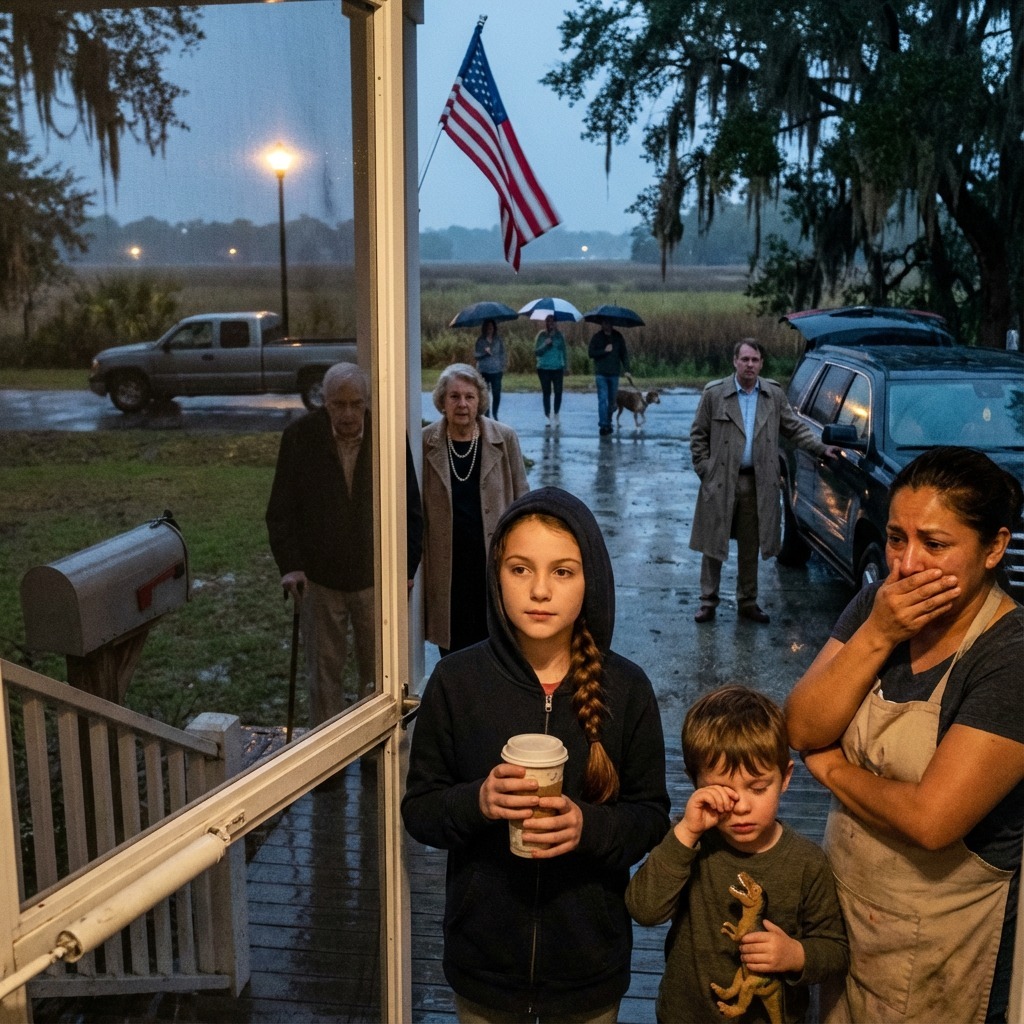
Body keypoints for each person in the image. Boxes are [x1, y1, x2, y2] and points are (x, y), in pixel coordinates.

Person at [402, 487, 670, 1023]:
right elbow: (421, 811)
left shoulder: (627, 689)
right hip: (485, 969)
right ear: (495, 575)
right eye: (520, 569)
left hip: (587, 969)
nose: (540, 591)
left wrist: (587, 828)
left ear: (591, 578)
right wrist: (478, 800)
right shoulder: (458, 682)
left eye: (563, 572)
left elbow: (650, 816)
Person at [785, 446, 1024, 1023]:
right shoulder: (879, 604)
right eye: (896, 538)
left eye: (935, 544)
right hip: (846, 916)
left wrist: (836, 770)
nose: (908, 564)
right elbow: (802, 724)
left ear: (994, 547)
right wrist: (878, 633)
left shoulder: (1008, 656)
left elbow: (932, 819)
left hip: (946, 949)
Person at [626, 685, 848, 1024]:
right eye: (724, 791)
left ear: (785, 778)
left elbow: (835, 948)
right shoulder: (689, 845)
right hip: (686, 1015)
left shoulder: (807, 862)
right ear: (696, 782)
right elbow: (644, 908)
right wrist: (686, 832)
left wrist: (796, 954)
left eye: (758, 788)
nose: (742, 806)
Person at [266, 361, 423, 724]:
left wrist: (406, 568)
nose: (349, 413)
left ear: (367, 401)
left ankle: (372, 751)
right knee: (324, 674)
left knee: (377, 673)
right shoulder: (300, 438)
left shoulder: (387, 437)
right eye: (339, 404)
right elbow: (280, 512)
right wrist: (290, 565)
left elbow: (411, 510)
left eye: (356, 403)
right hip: (319, 579)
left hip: (374, 579)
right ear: (324, 401)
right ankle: (329, 761)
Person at [689, 339, 836, 625]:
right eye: (744, 359)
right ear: (735, 361)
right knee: (713, 545)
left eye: (755, 360)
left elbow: (794, 428)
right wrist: (706, 470)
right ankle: (708, 602)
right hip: (721, 482)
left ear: (761, 363)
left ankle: (748, 602)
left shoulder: (772, 395)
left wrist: (820, 447)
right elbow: (698, 435)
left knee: (750, 545)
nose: (749, 365)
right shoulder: (715, 394)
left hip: (758, 484)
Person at [422, 363, 529, 655]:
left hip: (492, 558)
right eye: (454, 396)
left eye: (469, 397)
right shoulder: (425, 441)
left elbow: (523, 498)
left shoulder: (504, 438)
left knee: (494, 642)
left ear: (480, 400)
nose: (462, 404)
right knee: (453, 646)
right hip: (448, 565)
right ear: (442, 402)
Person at [588, 317, 630, 437]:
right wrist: (604, 351)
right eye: (604, 323)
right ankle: (603, 425)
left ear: (612, 323)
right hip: (601, 373)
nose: (606, 325)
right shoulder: (597, 337)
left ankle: (609, 422)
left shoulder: (618, 337)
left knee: (612, 402)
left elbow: (624, 354)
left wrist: (627, 369)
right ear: (601, 324)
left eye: (608, 323)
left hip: (614, 373)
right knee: (602, 399)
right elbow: (591, 353)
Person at [534, 315, 567, 428]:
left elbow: (564, 351)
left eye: (553, 321)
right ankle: (547, 415)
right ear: (546, 323)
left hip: (557, 368)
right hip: (543, 368)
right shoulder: (541, 335)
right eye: (548, 321)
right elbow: (537, 352)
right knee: (546, 392)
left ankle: (556, 413)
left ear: (556, 323)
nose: (551, 323)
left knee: (558, 392)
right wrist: (545, 344)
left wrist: (566, 366)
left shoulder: (559, 336)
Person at [474, 318, 507, 420]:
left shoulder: (498, 340)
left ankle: (495, 413)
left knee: (496, 393)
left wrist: (503, 365)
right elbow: (476, 355)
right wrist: (484, 353)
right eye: (488, 327)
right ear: (485, 328)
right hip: (483, 370)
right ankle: (486, 415)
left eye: (491, 327)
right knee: (485, 394)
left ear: (494, 328)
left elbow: (503, 353)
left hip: (497, 371)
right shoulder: (480, 340)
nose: (490, 329)